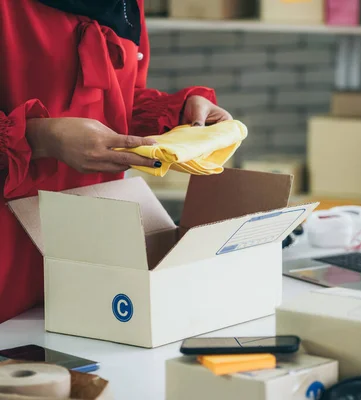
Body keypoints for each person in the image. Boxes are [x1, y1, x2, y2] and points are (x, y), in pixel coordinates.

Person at [0, 0, 233, 323]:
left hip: (86, 250)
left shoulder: (126, 5)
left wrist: (180, 116)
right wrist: (42, 137)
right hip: (8, 255)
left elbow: (120, 101)